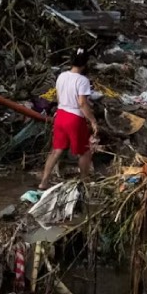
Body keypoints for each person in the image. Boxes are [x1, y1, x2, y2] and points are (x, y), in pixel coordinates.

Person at [39, 49, 98, 190]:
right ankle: (84, 180)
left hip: (61, 115)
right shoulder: (83, 80)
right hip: (74, 118)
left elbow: (59, 97)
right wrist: (93, 121)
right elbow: (82, 103)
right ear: (85, 64)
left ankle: (43, 182)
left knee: (56, 150)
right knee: (84, 151)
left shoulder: (62, 76)